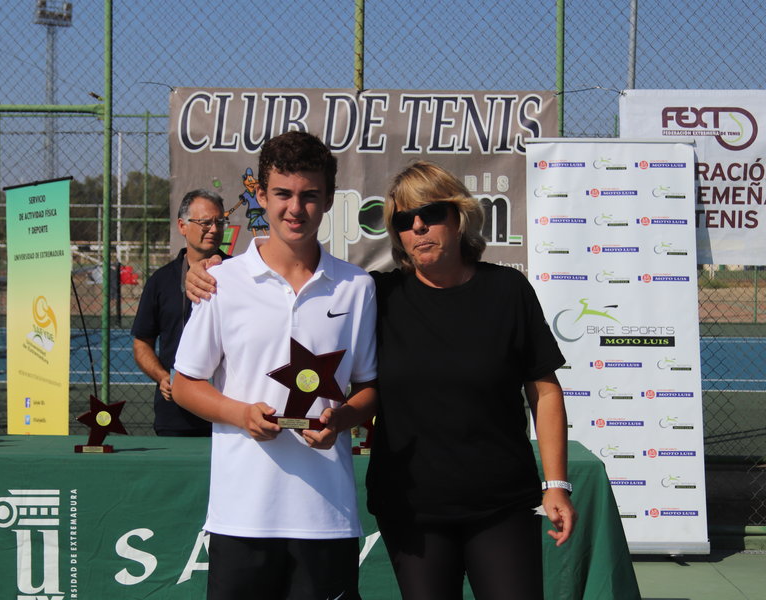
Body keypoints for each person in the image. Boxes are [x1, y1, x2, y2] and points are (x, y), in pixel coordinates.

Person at [185, 161, 576, 600]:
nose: (418, 227)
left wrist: (556, 483)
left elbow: (544, 391)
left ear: (459, 216)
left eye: (431, 213)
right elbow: (360, 380)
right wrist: (207, 271)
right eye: (405, 221)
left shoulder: (508, 290)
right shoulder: (378, 294)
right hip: (412, 507)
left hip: (501, 503)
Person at [172, 131, 377, 600]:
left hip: (327, 516)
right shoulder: (221, 281)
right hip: (242, 516)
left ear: (328, 200)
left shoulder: (356, 287)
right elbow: (184, 384)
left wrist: (341, 419)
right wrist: (240, 414)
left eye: (310, 196)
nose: (295, 208)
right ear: (261, 196)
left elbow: (369, 389)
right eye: (283, 194)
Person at [130, 189, 229, 436]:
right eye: (205, 222)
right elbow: (142, 343)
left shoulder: (241, 276)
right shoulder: (160, 281)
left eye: (219, 222)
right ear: (182, 226)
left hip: (229, 412)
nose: (214, 229)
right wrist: (162, 377)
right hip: (175, 416)